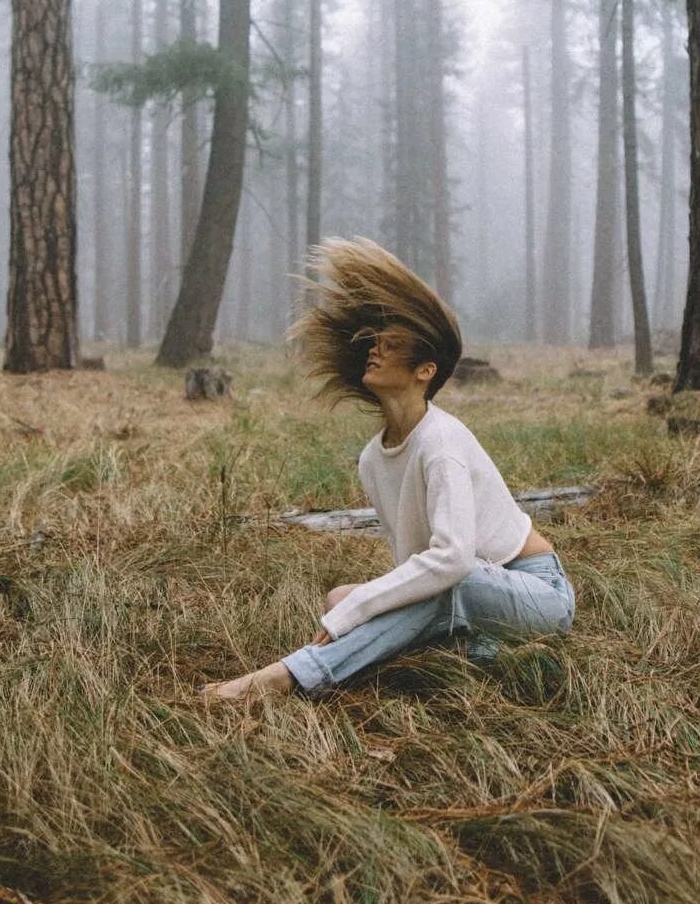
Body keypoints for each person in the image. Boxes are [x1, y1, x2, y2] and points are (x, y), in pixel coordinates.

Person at [199, 238, 575, 701]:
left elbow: (452, 561)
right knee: (341, 597)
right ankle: (481, 653)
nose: (374, 351)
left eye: (392, 346)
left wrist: (359, 608)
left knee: (405, 593)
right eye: (375, 343)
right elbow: (414, 561)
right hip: (469, 595)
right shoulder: (373, 459)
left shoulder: (441, 442)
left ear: (425, 371)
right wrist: (352, 605)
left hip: (539, 593)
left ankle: (283, 678)